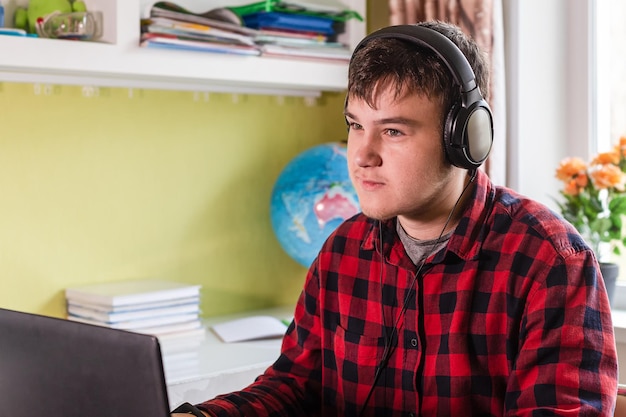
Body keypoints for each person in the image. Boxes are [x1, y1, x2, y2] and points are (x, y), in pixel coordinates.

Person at [173, 21, 618, 416]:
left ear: (464, 139)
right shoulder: (342, 251)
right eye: (355, 125)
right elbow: (296, 383)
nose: (362, 156)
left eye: (392, 131)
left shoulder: (551, 262)